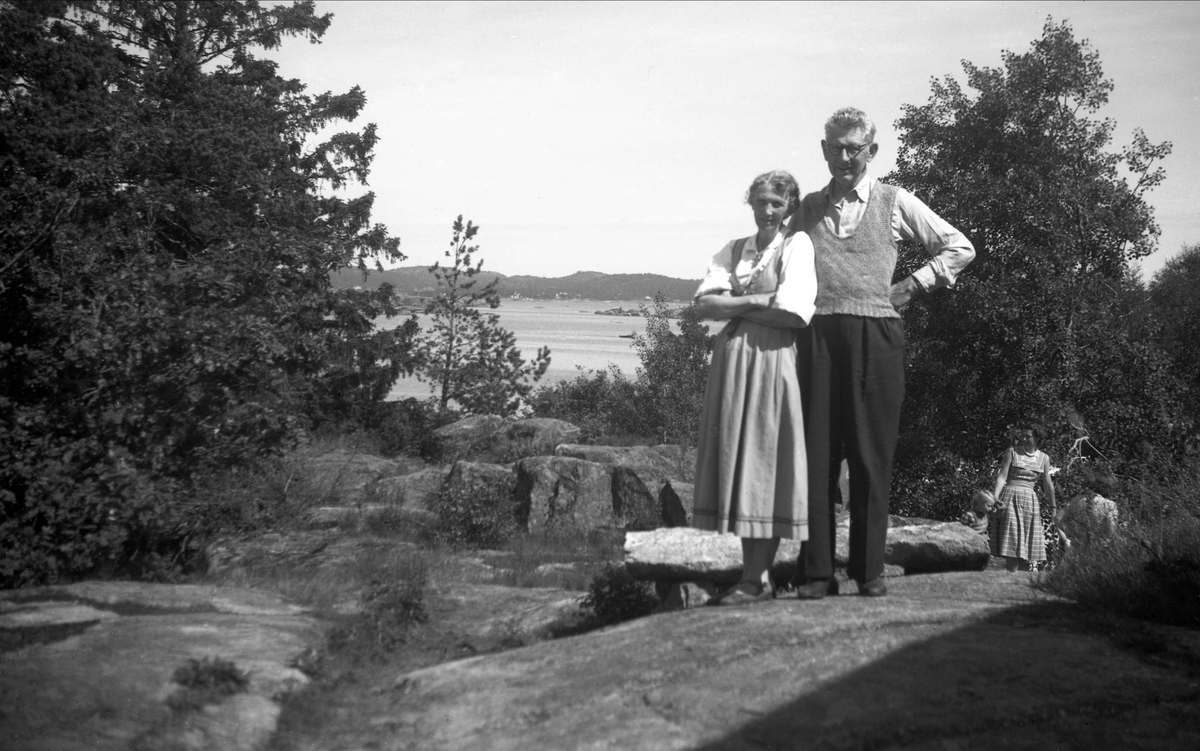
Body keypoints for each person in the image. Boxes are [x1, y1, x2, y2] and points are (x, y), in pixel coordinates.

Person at [790, 107, 975, 598]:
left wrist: (911, 287)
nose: (845, 156)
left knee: (871, 457)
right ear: (824, 149)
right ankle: (817, 573)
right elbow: (778, 269)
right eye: (836, 147)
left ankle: (869, 573)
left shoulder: (895, 202)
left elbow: (960, 247)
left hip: (878, 339)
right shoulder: (806, 209)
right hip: (818, 337)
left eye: (855, 148)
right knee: (817, 456)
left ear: (872, 151)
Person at [692, 170, 817, 606]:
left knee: (764, 458)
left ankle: (757, 577)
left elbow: (795, 313)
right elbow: (704, 304)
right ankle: (751, 577)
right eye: (761, 201)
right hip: (732, 365)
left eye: (777, 204)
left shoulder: (795, 245)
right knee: (738, 459)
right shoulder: (734, 249)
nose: (767, 211)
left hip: (773, 361)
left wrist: (736, 308)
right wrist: (757, 300)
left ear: (789, 209)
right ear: (751, 203)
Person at [993, 422, 1058, 571]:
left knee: (1026, 541)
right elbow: (1002, 476)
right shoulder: (1012, 452)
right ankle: (1011, 573)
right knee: (1012, 538)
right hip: (1010, 497)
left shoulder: (1044, 459)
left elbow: (1048, 485)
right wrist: (995, 498)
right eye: (1022, 436)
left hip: (1030, 501)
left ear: (1037, 438)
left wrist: (1053, 507)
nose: (1023, 439)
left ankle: (1020, 577)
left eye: (1027, 436)